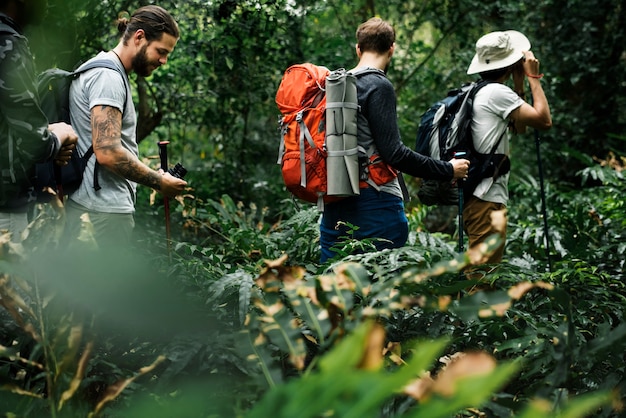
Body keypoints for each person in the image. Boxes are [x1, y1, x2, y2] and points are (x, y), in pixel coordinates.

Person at [319, 17, 470, 263]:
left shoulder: (335, 84)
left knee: (336, 288)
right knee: (381, 289)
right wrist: (448, 170)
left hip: (334, 200)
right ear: (392, 48)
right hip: (375, 203)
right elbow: (395, 154)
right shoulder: (379, 85)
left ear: (358, 49)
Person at [63, 5, 186, 248]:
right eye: (161, 51)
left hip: (95, 208)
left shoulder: (107, 70)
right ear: (139, 37)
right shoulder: (108, 77)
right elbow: (108, 153)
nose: (164, 60)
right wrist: (158, 182)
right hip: (103, 212)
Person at [464, 30, 552, 264]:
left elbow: (519, 128)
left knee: (482, 276)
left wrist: (519, 84)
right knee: (482, 280)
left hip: (479, 197)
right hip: (486, 199)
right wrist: (534, 77)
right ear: (510, 63)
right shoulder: (496, 93)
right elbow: (544, 120)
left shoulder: (480, 91)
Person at [0, 0, 78, 243]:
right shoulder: (8, 44)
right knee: (13, 280)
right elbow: (34, 143)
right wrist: (61, 134)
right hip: (5, 205)